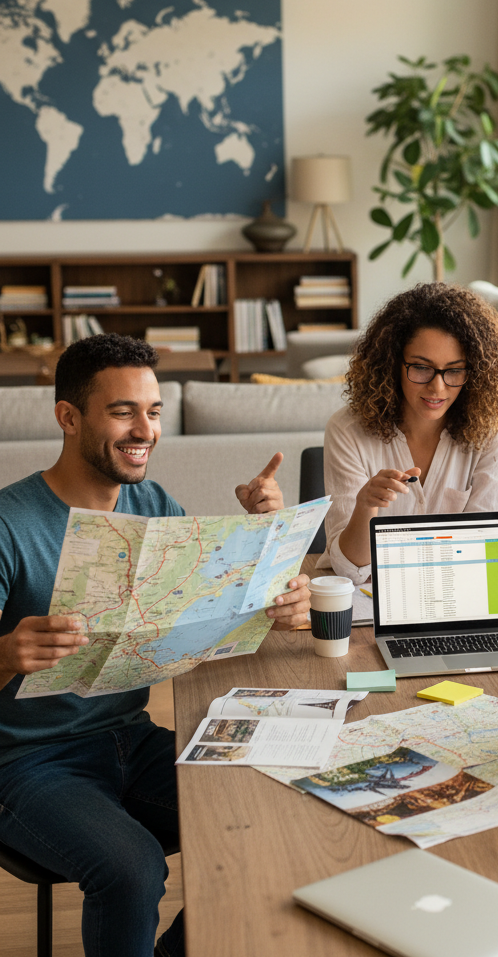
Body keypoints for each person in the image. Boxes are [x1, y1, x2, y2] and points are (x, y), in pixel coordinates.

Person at [0, 334, 312, 957]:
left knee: (279, 813)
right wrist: (6, 653)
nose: (145, 429)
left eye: (154, 411)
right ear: (68, 417)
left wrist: (268, 579)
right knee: (133, 868)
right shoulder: (9, 523)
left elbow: (200, 613)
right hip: (26, 763)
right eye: (122, 412)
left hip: (128, 738)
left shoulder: (154, 504)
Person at [319, 282, 498, 582]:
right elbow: (350, 569)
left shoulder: (493, 428)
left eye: (454, 370)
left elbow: (483, 549)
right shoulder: (347, 431)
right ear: (392, 364)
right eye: (421, 367)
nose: (437, 388)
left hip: (456, 592)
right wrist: (365, 506)